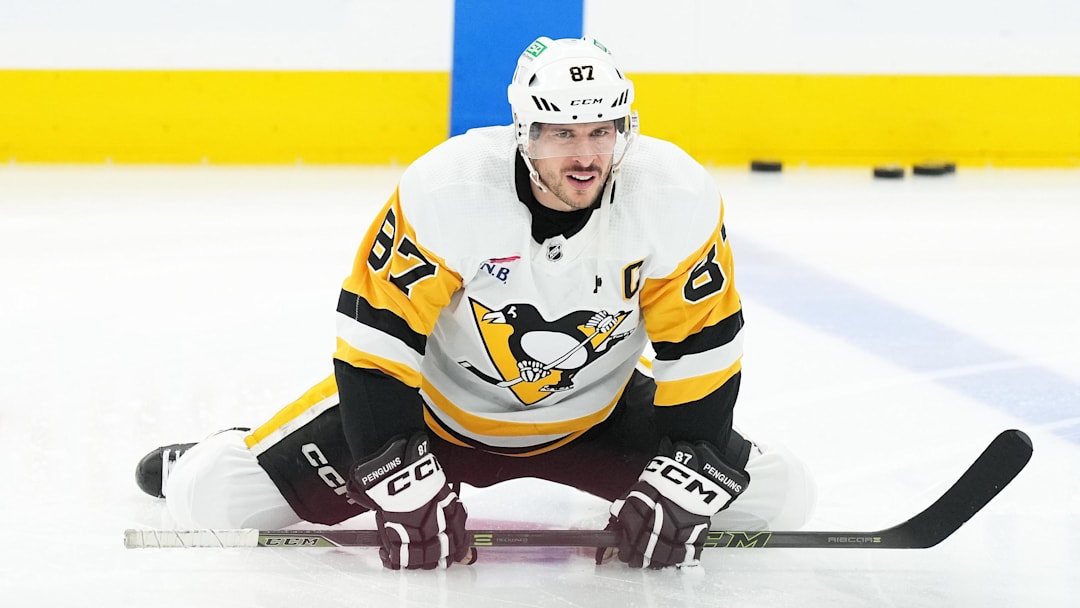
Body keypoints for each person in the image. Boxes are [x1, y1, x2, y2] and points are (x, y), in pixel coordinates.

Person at [135, 36, 815, 570]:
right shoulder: (448, 188)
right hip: (433, 418)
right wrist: (396, 473)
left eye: (601, 131)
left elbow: (703, 348)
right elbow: (375, 347)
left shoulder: (673, 195)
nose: (585, 156)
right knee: (213, 501)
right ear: (525, 132)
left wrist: (685, 470)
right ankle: (218, 449)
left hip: (594, 420)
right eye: (562, 134)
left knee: (782, 499)